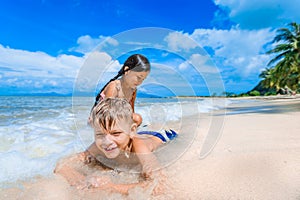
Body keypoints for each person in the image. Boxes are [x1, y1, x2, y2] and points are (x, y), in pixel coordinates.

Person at [55, 98, 177, 195]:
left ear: (132, 130)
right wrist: (83, 182)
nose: (106, 141)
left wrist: (111, 187)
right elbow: (62, 165)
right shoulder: (99, 145)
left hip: (158, 137)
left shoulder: (139, 147)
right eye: (99, 134)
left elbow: (160, 185)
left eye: (115, 134)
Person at [89, 54, 150, 126]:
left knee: (137, 118)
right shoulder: (114, 87)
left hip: (116, 119)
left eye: (143, 79)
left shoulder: (133, 90)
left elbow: (131, 111)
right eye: (138, 77)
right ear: (127, 70)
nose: (140, 82)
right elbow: (106, 114)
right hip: (101, 119)